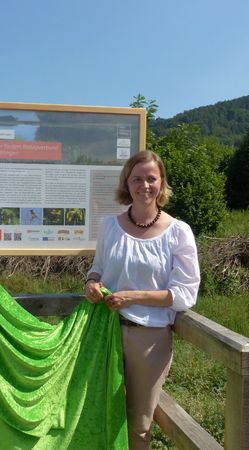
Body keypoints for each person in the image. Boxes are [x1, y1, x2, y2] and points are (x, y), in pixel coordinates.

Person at [84, 150, 200, 450]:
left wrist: (132, 297)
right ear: (127, 182)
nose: (144, 185)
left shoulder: (179, 233)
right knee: (98, 410)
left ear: (162, 184)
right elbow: (97, 267)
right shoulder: (110, 226)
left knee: (139, 424)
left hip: (148, 340)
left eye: (151, 178)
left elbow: (185, 294)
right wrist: (92, 282)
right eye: (137, 178)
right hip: (104, 331)